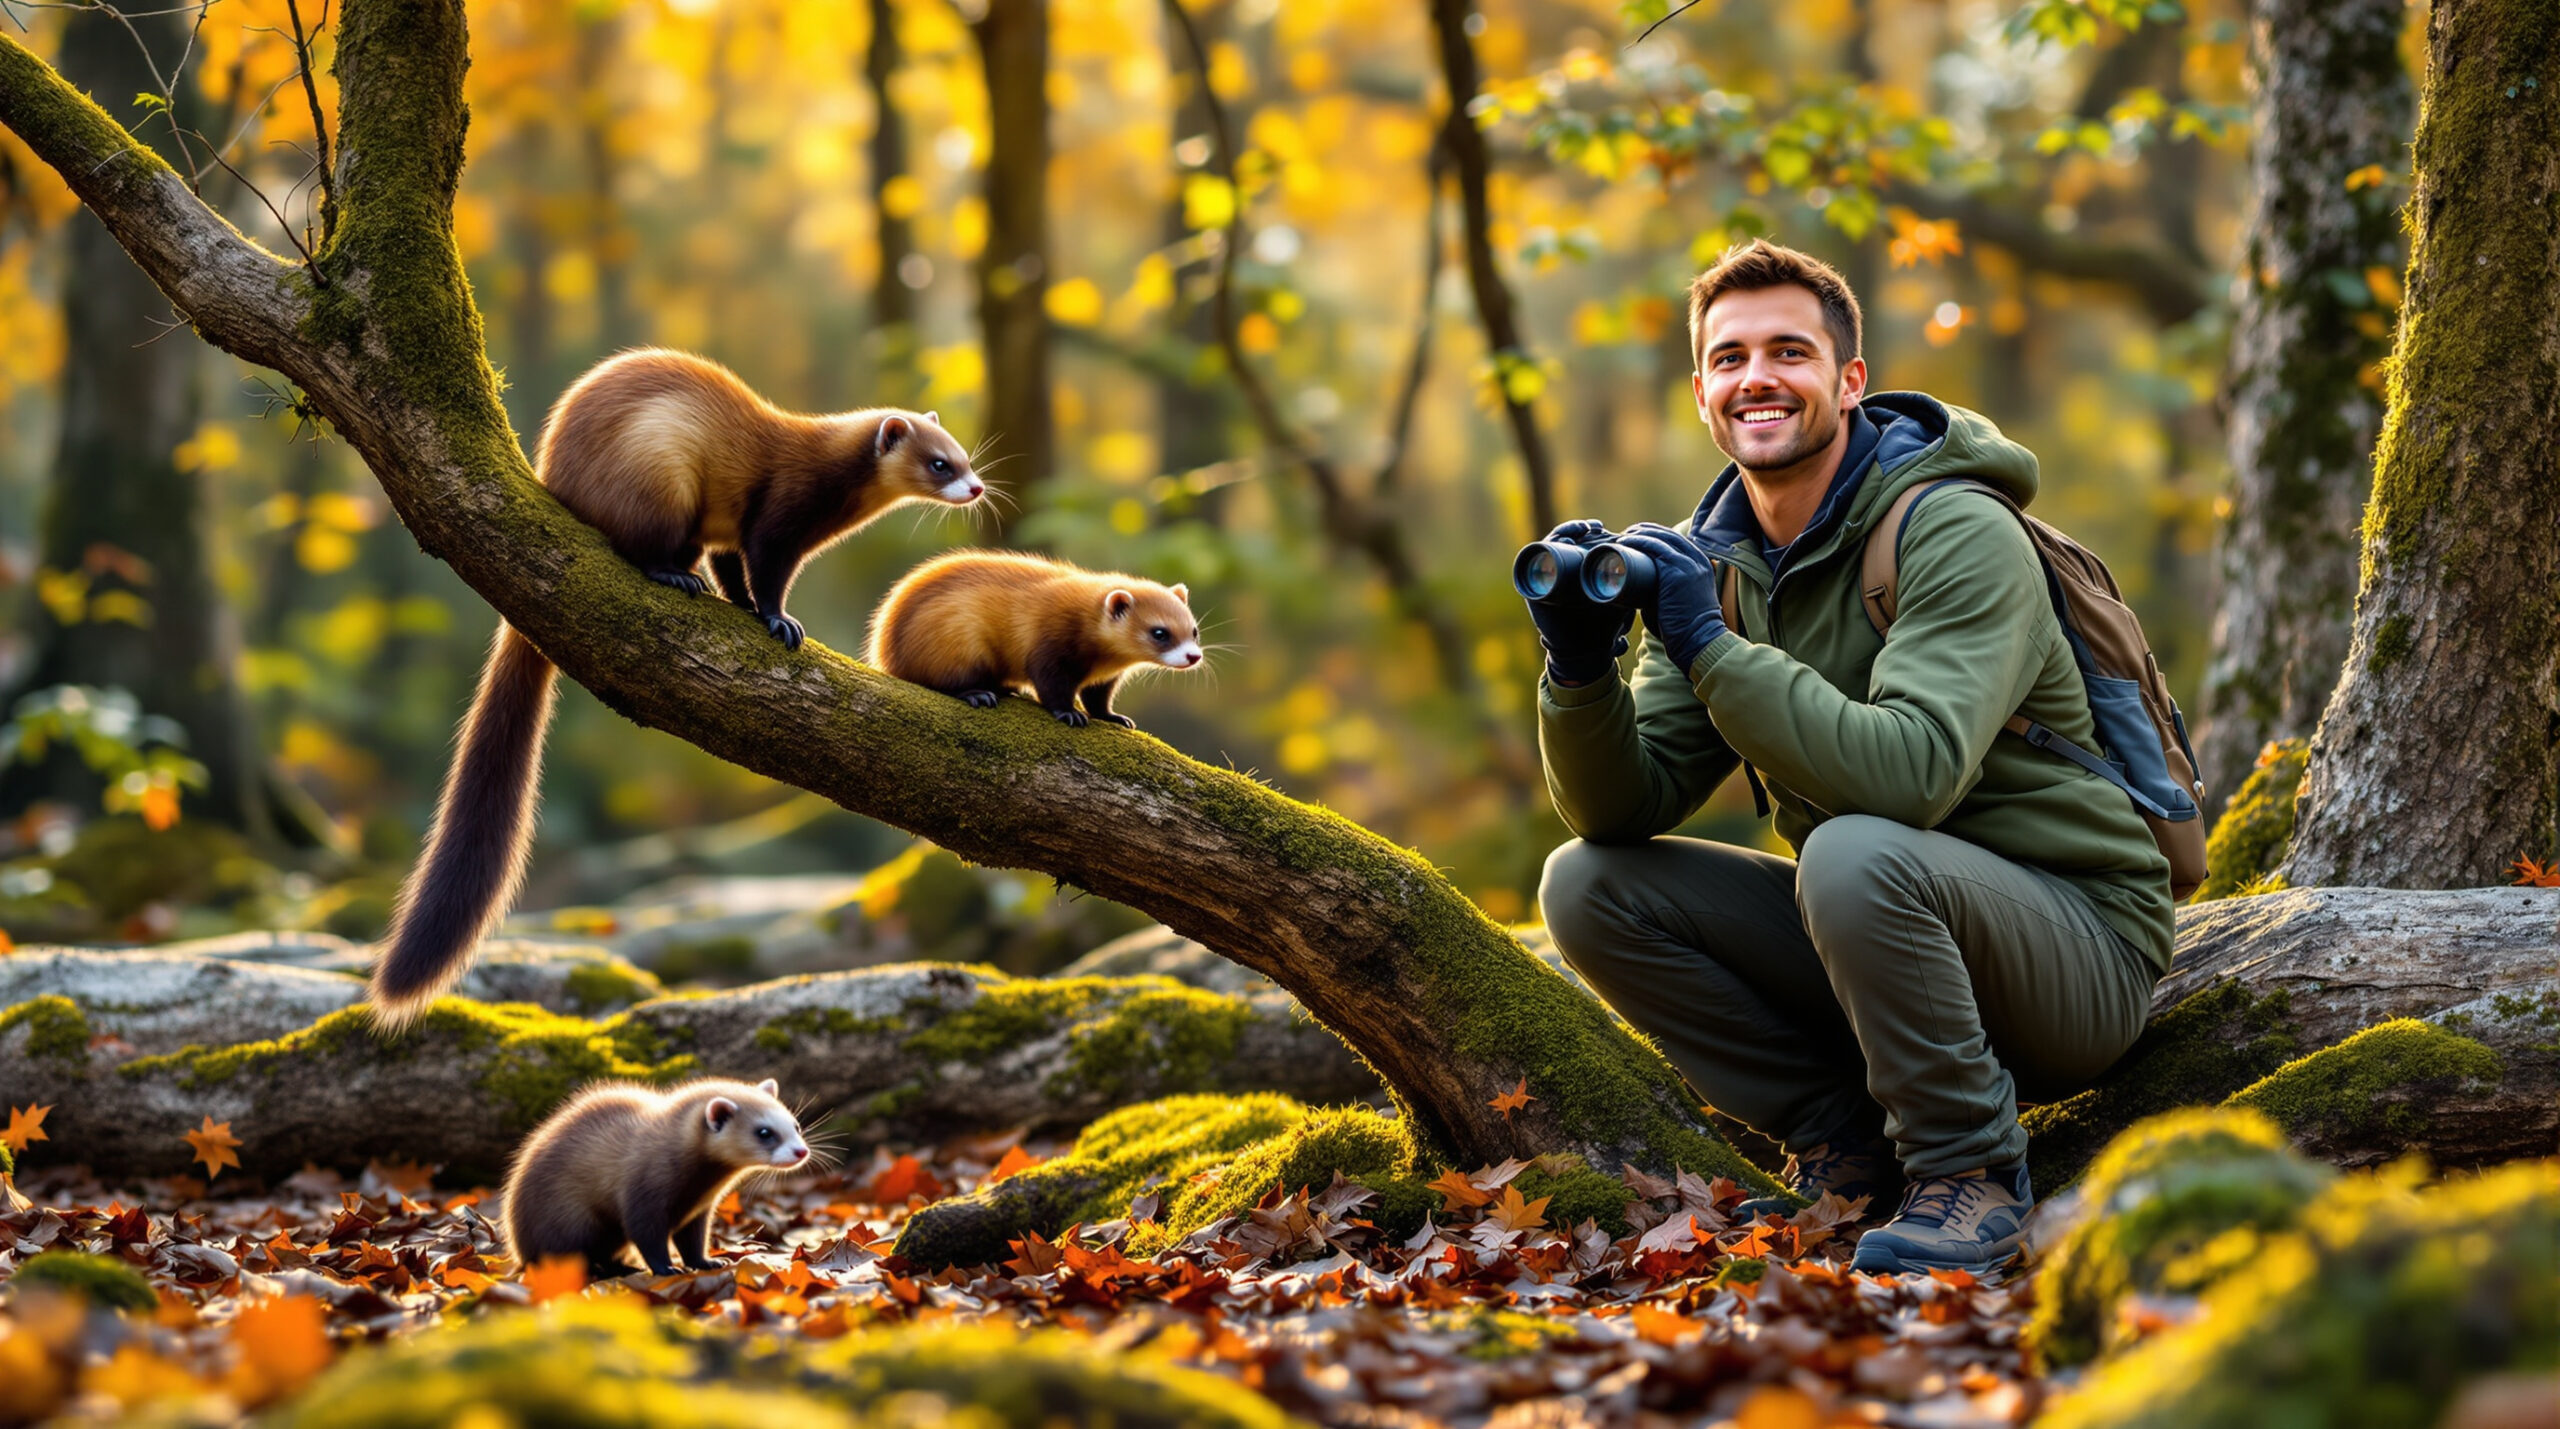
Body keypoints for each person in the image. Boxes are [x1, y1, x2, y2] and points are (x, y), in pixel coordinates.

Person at [1529, 239, 2172, 1275]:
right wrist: (1578, 668)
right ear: (1701, 393)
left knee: (1851, 848)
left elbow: (1910, 777)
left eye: (1789, 351)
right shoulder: (1720, 563)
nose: (1757, 378)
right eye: (1730, 358)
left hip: (2076, 952)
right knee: (1587, 883)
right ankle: (1848, 1145)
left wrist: (1708, 645)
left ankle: (1968, 1170)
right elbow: (1619, 809)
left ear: (1849, 380)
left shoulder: (1954, 526)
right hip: (1884, 936)